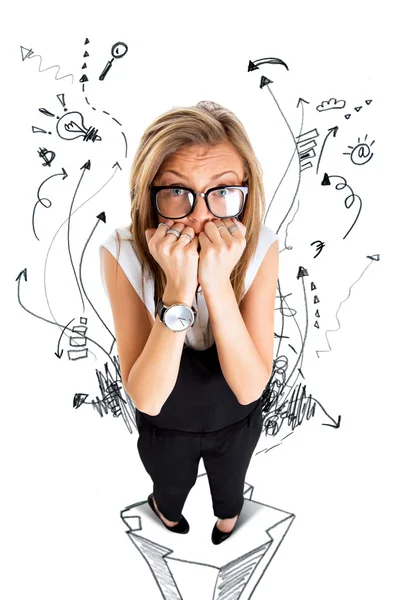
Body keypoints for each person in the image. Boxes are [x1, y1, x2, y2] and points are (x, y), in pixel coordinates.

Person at [99, 100, 279, 544]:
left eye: (222, 191)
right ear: (150, 194)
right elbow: (147, 397)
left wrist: (216, 285)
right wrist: (179, 289)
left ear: (245, 191)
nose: (200, 216)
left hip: (233, 412)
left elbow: (251, 387)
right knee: (169, 482)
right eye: (177, 191)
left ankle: (228, 519)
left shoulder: (261, 245)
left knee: (231, 482)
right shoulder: (120, 249)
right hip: (168, 417)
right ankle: (169, 512)